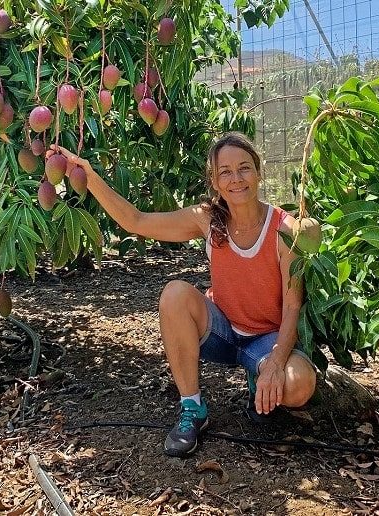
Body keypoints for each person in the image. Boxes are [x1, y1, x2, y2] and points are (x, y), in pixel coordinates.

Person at [52, 132, 317, 457]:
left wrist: (276, 363)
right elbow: (136, 221)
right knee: (174, 294)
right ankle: (193, 409)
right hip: (221, 332)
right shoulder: (208, 219)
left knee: (300, 384)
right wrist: (89, 177)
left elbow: (293, 305)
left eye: (244, 168)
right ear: (215, 182)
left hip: (266, 340)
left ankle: (258, 376)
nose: (236, 179)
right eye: (225, 172)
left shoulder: (283, 229)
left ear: (259, 172)